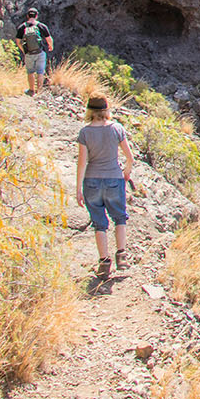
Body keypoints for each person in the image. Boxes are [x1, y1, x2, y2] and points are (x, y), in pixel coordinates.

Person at [75, 96, 134, 280]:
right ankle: (122, 256)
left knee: (99, 223)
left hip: (92, 180)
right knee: (119, 217)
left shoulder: (85, 133)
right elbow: (129, 157)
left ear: (89, 111)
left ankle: (104, 263)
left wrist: (78, 188)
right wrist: (126, 172)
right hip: (114, 178)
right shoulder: (117, 128)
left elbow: (82, 162)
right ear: (106, 110)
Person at [15, 7, 53, 96]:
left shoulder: (22, 27)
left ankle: (31, 90)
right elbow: (49, 39)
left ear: (27, 16)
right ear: (36, 16)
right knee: (40, 71)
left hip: (28, 53)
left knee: (30, 72)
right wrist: (50, 46)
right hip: (40, 52)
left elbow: (18, 41)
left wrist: (23, 50)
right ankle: (39, 91)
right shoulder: (41, 26)